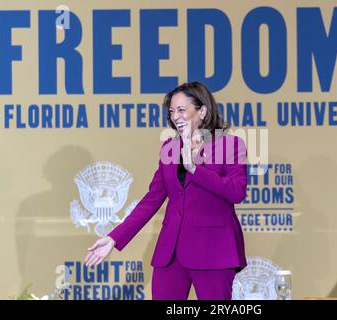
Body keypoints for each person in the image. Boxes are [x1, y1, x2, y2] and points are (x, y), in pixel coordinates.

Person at [85, 81, 248, 300]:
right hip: (171, 254)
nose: (175, 116)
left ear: (202, 111)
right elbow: (151, 201)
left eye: (182, 110)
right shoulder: (169, 149)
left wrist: (194, 169)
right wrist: (115, 238)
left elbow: (237, 192)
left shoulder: (229, 145)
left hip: (214, 250)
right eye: (172, 111)